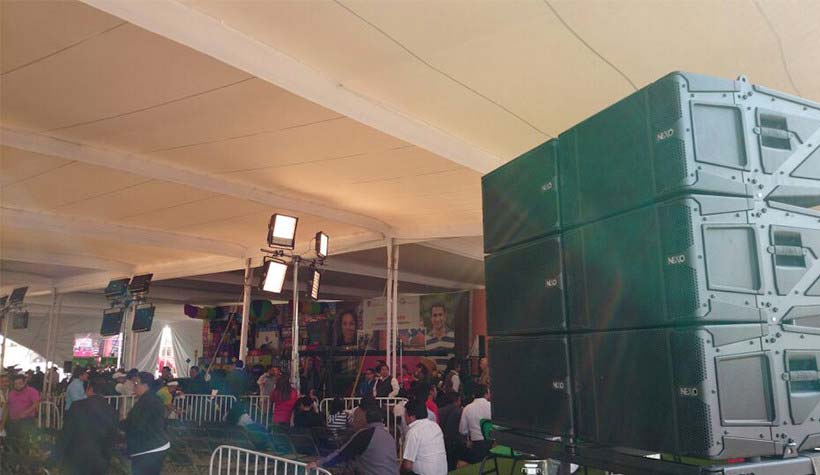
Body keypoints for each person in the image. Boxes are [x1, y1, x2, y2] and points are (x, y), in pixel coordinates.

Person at [307, 405, 398, 475]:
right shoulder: (389, 436)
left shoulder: (365, 434)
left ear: (364, 418)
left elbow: (342, 454)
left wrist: (318, 463)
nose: (354, 420)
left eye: (356, 416)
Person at [58, 377, 119, 475]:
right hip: (100, 459)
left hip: (76, 456)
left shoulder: (77, 406)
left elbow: (67, 432)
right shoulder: (112, 411)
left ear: (90, 389)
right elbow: (112, 437)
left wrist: (58, 453)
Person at [123, 372, 170, 475]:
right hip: (153, 445)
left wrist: (122, 426)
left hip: (148, 448)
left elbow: (137, 424)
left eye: (136, 383)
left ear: (145, 385)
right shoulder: (150, 398)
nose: (134, 386)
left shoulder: (148, 401)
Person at [402, 398, 448, 475]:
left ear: (412, 416)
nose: (404, 417)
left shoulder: (413, 431)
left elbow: (407, 465)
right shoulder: (435, 426)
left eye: (405, 414)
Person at [459, 385, 492, 463]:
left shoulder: (467, 408)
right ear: (486, 394)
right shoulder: (492, 406)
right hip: (492, 441)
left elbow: (462, 430)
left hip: (476, 443)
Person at [6, 374, 40, 440]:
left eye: (20, 383)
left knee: (23, 441)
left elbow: (36, 404)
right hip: (12, 420)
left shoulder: (32, 391)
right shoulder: (11, 393)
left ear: (24, 382)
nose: (17, 385)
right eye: (15, 384)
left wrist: (25, 413)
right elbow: (8, 406)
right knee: (12, 440)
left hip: (26, 420)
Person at [438, 392, 465, 470]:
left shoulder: (439, 411)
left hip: (443, 440)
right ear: (457, 401)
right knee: (453, 464)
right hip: (455, 441)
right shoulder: (459, 411)